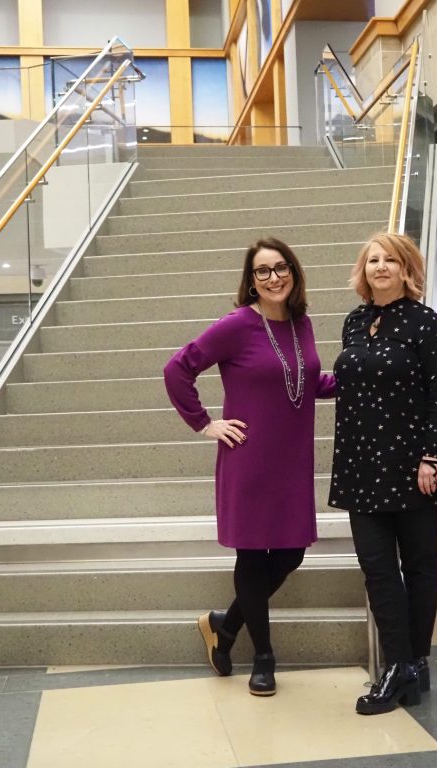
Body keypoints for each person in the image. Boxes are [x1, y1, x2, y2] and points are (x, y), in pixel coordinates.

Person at [164, 237, 336, 697]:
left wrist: (354, 377)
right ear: (251, 280)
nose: (274, 277)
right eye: (263, 271)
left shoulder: (301, 323)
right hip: (250, 459)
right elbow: (177, 369)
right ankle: (263, 657)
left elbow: (304, 381)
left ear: (293, 272)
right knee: (253, 555)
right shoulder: (238, 325)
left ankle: (225, 625)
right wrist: (205, 424)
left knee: (291, 554)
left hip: (292, 461)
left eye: (281, 268)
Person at [329, 232, 437, 715]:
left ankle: (413, 662)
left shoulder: (425, 322)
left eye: (390, 260)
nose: (380, 267)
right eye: (372, 261)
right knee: (378, 569)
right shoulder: (355, 322)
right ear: (362, 271)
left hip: (413, 465)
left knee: (420, 566)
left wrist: (433, 456)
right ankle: (400, 664)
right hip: (361, 465)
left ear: (407, 270)